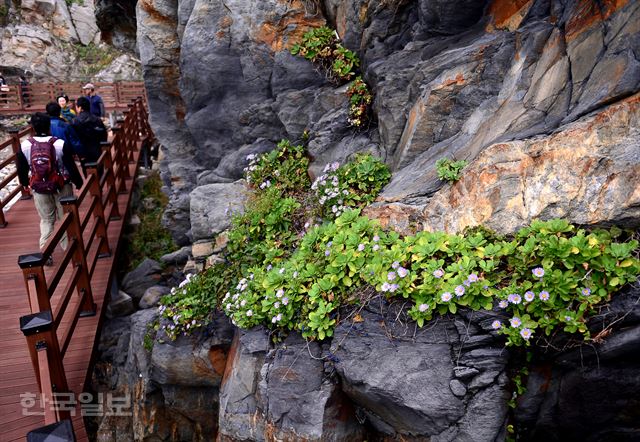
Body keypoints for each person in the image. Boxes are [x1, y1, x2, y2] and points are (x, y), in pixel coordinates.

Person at [16, 112, 83, 255]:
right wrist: (78, 182)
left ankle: (45, 252)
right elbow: (70, 166)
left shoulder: (25, 146)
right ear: (49, 127)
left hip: (39, 187)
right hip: (62, 185)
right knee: (65, 218)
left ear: (32, 127)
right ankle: (69, 251)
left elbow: (21, 168)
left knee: (46, 220)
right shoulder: (59, 143)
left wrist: (24, 183)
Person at [72, 96, 108, 172]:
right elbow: (104, 134)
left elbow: (74, 138)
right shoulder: (97, 119)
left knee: (87, 173)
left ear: (80, 108)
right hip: (97, 149)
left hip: (84, 152)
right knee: (99, 170)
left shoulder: (75, 121)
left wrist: (77, 152)